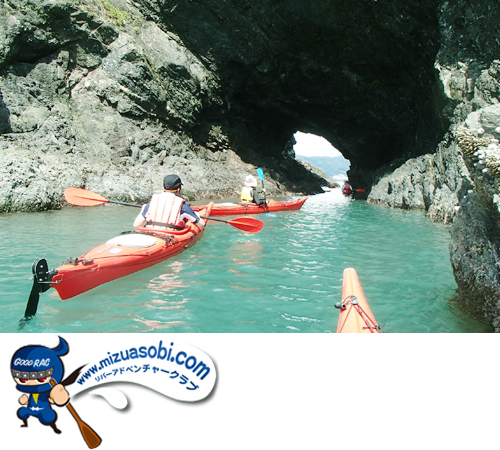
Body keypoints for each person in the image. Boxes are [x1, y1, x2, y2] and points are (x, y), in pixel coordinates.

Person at [133, 174, 200, 230]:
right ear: (178, 189)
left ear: (163, 188)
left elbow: (136, 225)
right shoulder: (183, 206)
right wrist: (197, 216)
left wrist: (143, 210)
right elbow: (201, 224)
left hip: (151, 233)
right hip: (170, 237)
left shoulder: (151, 203)